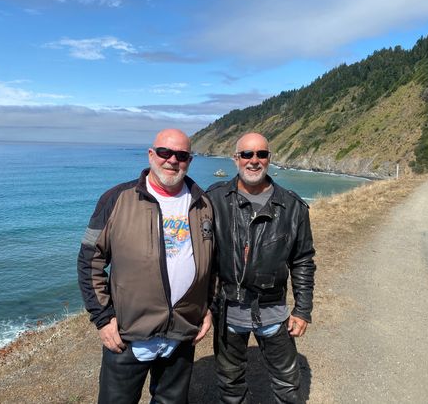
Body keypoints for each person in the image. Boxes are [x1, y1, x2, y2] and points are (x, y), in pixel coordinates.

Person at [77, 128, 214, 404]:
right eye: (165, 152)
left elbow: (213, 263)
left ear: (190, 160)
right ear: (151, 155)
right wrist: (103, 318)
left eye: (181, 155)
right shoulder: (116, 199)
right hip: (129, 334)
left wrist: (208, 307)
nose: (172, 160)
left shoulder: (203, 203)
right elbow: (89, 260)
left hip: (182, 331)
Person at [207, 132, 316, 403]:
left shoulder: (292, 206)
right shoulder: (214, 200)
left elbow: (303, 260)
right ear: (235, 159)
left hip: (273, 309)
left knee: (287, 383)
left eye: (261, 154)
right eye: (247, 154)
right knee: (230, 383)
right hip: (228, 310)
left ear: (269, 158)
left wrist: (302, 309)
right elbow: (199, 256)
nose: (253, 160)